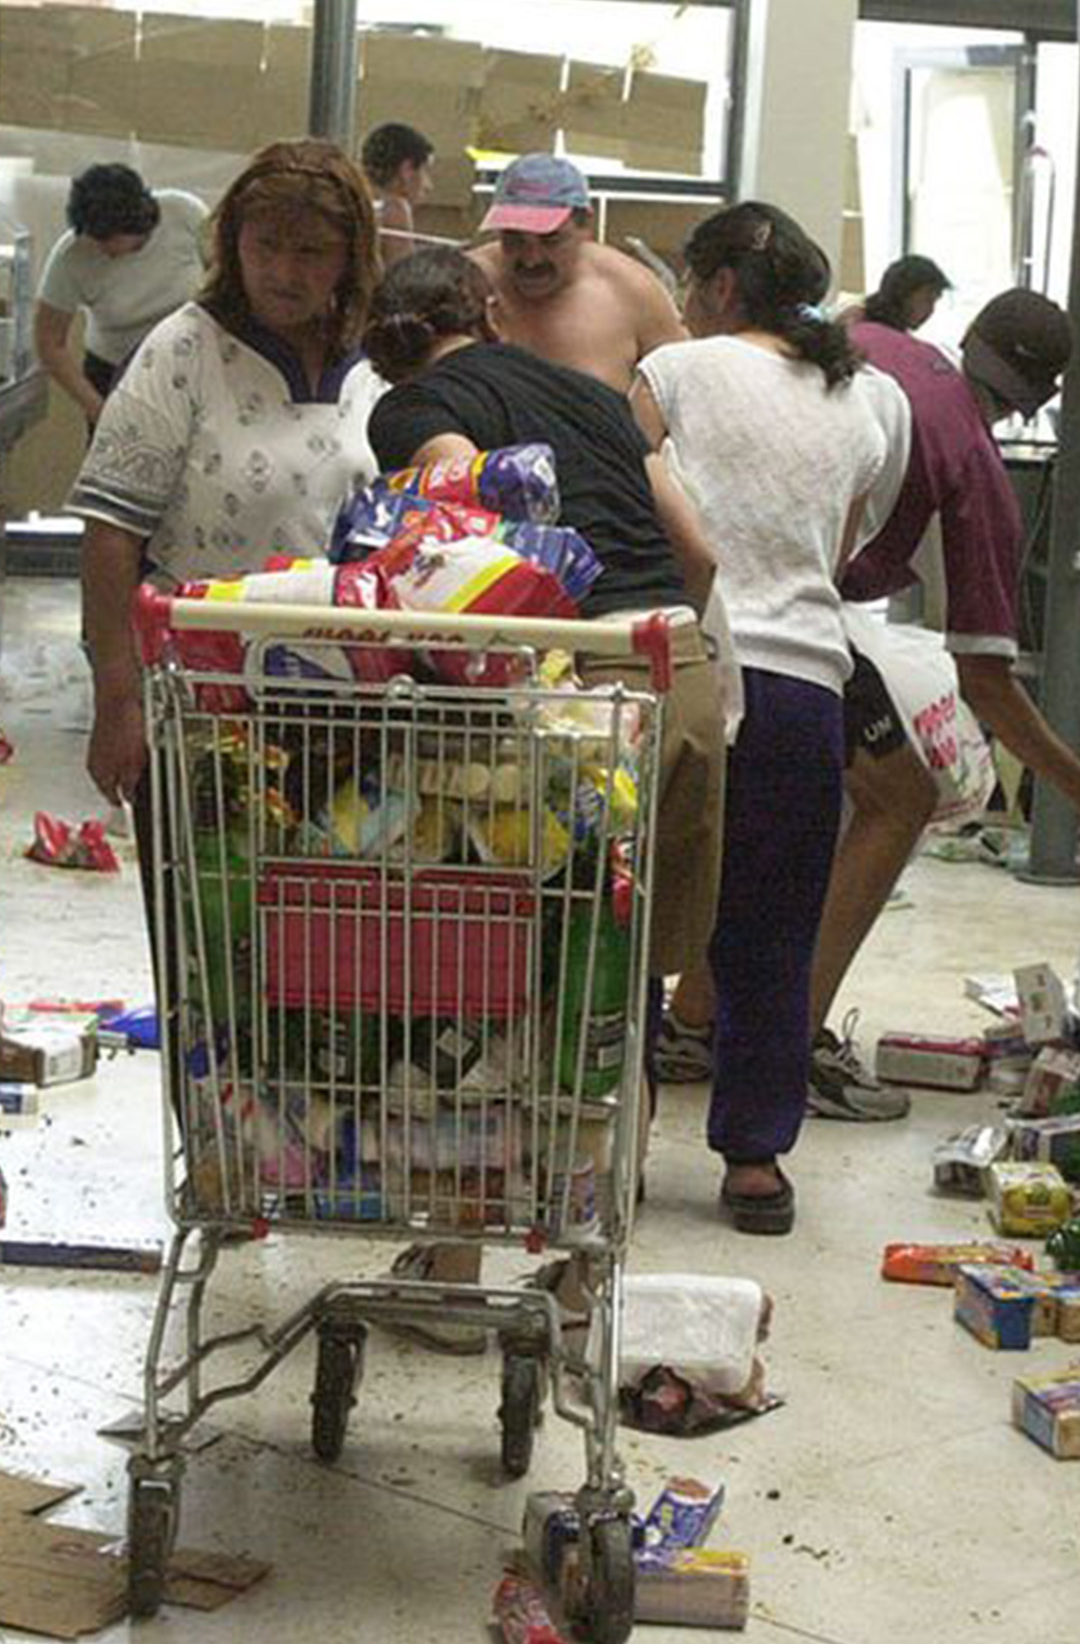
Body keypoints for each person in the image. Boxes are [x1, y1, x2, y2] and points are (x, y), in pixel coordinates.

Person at [362, 243, 727, 1340]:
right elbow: (699, 553)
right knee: (621, 996)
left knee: (490, 980)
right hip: (675, 677)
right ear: (487, 310)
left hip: (551, 694)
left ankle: (457, 1264)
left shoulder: (413, 409)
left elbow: (468, 538)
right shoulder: (598, 395)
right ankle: (583, 1277)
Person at [629, 202, 887, 1234]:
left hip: (687, 668)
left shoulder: (677, 371)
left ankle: (617, 1138)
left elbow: (622, 482)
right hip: (805, 685)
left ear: (722, 288)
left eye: (693, 283)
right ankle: (754, 1162)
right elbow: (847, 548)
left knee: (631, 910)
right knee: (772, 929)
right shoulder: (857, 400)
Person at [798, 283, 1080, 1117]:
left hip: (709, 574)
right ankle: (792, 1045)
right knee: (902, 797)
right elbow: (986, 682)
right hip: (787, 606)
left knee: (784, 805)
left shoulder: (882, 341)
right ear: (1037, 401)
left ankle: (699, 1021)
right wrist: (1072, 782)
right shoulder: (974, 465)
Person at [67, 137, 381, 819]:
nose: (282, 272)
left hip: (352, 713)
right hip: (200, 699)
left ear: (349, 258)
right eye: (263, 246)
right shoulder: (184, 348)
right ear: (231, 245)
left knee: (329, 918)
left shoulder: (379, 359)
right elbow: (111, 531)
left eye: (309, 253)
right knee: (206, 911)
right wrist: (116, 701)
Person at [470, 152, 685, 393]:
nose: (531, 260)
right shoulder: (466, 284)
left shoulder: (634, 292)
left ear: (585, 226)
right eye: (513, 239)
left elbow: (682, 391)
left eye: (551, 240)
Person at [34, 163, 208, 429]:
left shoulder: (185, 213)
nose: (101, 248)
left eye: (108, 240)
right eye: (94, 238)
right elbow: (49, 342)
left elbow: (224, 278)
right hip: (114, 372)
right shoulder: (70, 256)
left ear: (136, 223)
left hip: (188, 364)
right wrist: (98, 408)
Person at [360, 121, 435, 269]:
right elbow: (402, 281)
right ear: (406, 170)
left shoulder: (360, 201)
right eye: (425, 171)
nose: (429, 186)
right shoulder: (396, 209)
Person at [850, 254, 951, 335]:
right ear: (903, 294)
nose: (931, 310)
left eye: (934, 301)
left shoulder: (898, 337)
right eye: (927, 300)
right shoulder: (855, 325)